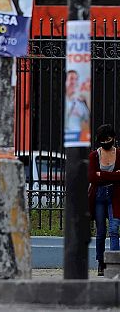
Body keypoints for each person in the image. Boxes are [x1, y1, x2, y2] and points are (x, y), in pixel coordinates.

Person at [89, 124, 120, 276]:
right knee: (101, 231)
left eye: (108, 139)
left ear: (113, 138)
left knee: (114, 229)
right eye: (103, 140)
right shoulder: (94, 155)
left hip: (115, 195)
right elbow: (92, 177)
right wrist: (113, 175)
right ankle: (101, 263)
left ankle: (115, 264)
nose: (106, 142)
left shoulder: (119, 154)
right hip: (99, 196)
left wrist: (102, 174)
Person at [65, 70, 90, 143]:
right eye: (71, 79)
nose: (74, 82)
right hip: (65, 141)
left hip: (79, 141)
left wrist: (86, 100)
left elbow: (89, 122)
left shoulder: (80, 103)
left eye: (76, 79)